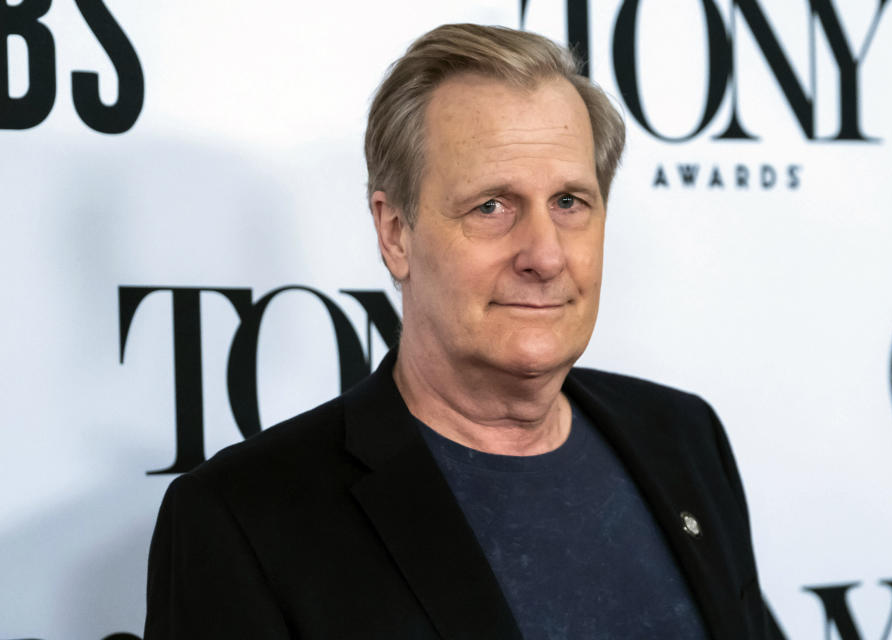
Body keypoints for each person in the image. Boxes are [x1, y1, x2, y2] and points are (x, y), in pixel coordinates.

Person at [144, 23, 776, 639]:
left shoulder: (685, 438)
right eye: (491, 206)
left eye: (569, 203)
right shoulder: (244, 519)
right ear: (396, 233)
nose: (545, 255)